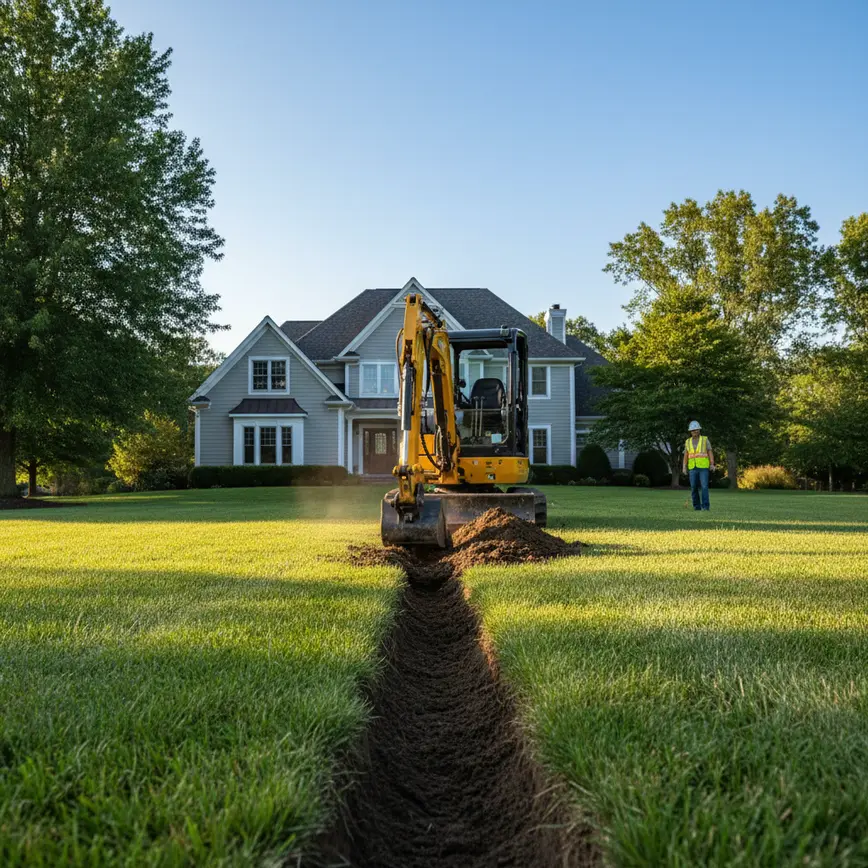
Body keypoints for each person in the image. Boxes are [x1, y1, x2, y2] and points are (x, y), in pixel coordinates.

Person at [682, 420, 715, 511]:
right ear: (690, 431)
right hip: (692, 467)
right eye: (693, 430)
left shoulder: (705, 439)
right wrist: (684, 466)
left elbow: (709, 451)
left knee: (704, 486)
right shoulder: (687, 442)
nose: (695, 431)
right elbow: (686, 454)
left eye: (696, 429)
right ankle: (697, 507)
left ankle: (705, 506)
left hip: (703, 467)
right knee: (693, 487)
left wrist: (712, 464)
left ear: (699, 430)